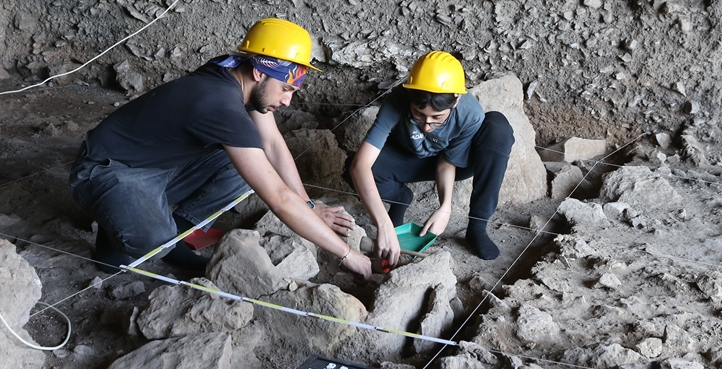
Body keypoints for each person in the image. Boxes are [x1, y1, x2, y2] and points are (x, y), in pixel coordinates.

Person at [69, 17, 372, 279]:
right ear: (259, 73)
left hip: (160, 163)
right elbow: (278, 199)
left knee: (247, 164)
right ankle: (133, 232)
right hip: (107, 170)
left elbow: (272, 143)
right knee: (151, 241)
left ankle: (175, 237)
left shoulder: (230, 69)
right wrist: (347, 254)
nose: (287, 101)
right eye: (286, 89)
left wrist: (310, 206)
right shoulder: (220, 105)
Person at [347, 51, 514, 264]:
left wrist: (445, 207)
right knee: (352, 169)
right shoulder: (396, 100)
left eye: (437, 118)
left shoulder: (470, 112)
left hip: (452, 162)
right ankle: (400, 200)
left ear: (456, 101)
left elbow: (448, 162)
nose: (427, 126)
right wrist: (383, 225)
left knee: (497, 128)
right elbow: (360, 166)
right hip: (410, 158)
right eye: (418, 114)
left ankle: (477, 227)